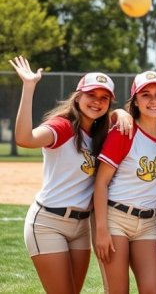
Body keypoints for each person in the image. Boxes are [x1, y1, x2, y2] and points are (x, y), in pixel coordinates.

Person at [11, 56, 116, 294]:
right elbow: (24, 138)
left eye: (104, 98)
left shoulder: (102, 134)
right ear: (78, 96)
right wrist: (29, 88)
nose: (97, 102)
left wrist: (123, 115)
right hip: (49, 223)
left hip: (81, 228)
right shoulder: (63, 127)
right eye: (91, 95)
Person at [93, 71, 156, 293]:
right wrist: (101, 230)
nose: (153, 100)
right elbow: (101, 183)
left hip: (149, 224)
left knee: (153, 290)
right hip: (116, 219)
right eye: (145, 94)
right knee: (119, 290)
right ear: (136, 101)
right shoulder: (124, 132)